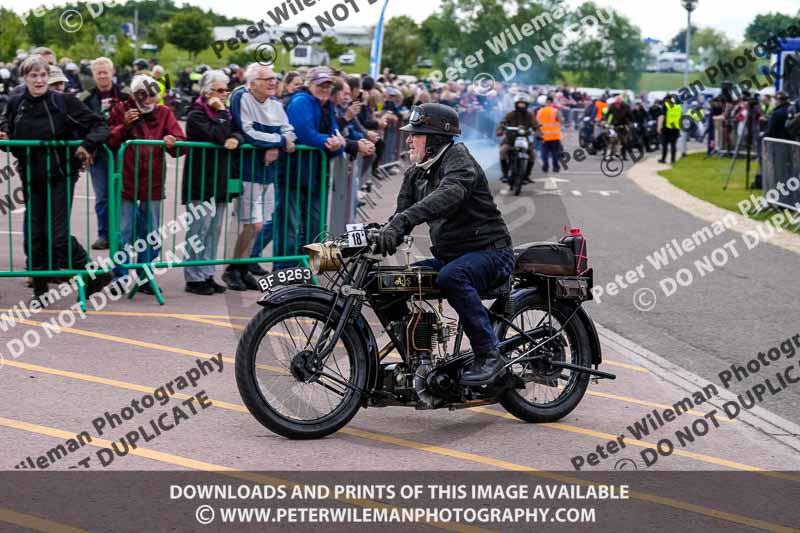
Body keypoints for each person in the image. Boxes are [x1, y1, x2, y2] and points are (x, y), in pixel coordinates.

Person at [379, 103, 515, 385]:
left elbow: (450, 194)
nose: (408, 139)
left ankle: (490, 356)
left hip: (490, 252)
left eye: (415, 134)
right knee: (389, 283)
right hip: (451, 255)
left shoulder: (458, 159)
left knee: (452, 276)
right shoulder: (416, 173)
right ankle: (419, 358)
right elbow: (399, 216)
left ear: (435, 138)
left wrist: (403, 220)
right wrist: (380, 235)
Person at [0, 54, 112, 304]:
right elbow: (8, 134)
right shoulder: (15, 103)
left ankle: (96, 274)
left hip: (60, 175)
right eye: (33, 75)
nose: (39, 80)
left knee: (57, 236)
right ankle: (40, 291)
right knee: (35, 236)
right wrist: (5, 139)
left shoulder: (63, 102)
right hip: (31, 177)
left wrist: (87, 145)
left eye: (43, 75)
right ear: (25, 78)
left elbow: (100, 125)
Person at [107, 75, 185, 293]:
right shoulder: (121, 109)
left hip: (153, 183)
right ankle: (120, 278)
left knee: (151, 233)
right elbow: (108, 141)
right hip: (126, 180)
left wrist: (174, 142)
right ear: (133, 95)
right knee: (122, 232)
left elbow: (181, 143)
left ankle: (145, 277)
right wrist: (124, 126)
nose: (148, 99)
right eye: (143, 94)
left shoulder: (164, 113)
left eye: (153, 95)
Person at [227, 63, 296, 288]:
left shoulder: (276, 104)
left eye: (274, 78)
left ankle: (243, 268)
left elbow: (288, 130)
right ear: (252, 82)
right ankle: (233, 269)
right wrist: (277, 142)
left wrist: (283, 140)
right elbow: (248, 132)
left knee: (259, 222)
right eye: (267, 79)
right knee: (252, 224)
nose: (273, 82)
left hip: (269, 173)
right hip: (248, 170)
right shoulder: (241, 98)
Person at [181, 70, 244, 295]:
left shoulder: (226, 113)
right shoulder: (197, 114)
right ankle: (193, 276)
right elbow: (216, 135)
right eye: (219, 90)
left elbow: (238, 132)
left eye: (226, 90)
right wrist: (220, 113)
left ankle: (207, 273)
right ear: (208, 93)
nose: (224, 94)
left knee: (214, 230)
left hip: (220, 180)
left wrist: (235, 138)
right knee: (199, 229)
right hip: (200, 180)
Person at [277, 66, 345, 269]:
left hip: (316, 174)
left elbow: (336, 134)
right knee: (288, 223)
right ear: (309, 84)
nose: (325, 89)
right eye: (321, 84)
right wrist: (329, 141)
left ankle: (316, 267)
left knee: (316, 221)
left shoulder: (326, 105)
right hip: (294, 172)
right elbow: (304, 133)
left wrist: (336, 143)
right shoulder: (301, 101)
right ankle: (285, 268)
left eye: (328, 85)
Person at [81, 57, 130, 250]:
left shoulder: (126, 95)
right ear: (93, 75)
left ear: (113, 72)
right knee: (102, 196)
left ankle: (123, 234)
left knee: (123, 195)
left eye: (105, 71)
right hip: (98, 154)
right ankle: (104, 235)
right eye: (98, 72)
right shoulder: (85, 98)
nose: (102, 75)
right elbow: (81, 125)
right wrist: (88, 148)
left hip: (122, 152)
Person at [496, 93, 539, 185]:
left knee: (533, 155)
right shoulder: (510, 114)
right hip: (510, 140)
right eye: (520, 103)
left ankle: (527, 176)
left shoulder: (529, 115)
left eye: (523, 103)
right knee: (502, 151)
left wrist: (539, 133)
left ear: (527, 105)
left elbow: (536, 126)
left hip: (525, 140)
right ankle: (505, 174)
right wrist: (500, 130)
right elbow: (502, 123)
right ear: (516, 104)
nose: (521, 105)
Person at [536, 95, 563, 175]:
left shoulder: (540, 111)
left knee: (544, 153)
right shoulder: (555, 111)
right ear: (551, 102)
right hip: (555, 136)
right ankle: (555, 167)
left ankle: (545, 166)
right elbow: (561, 120)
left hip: (544, 136)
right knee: (555, 153)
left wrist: (538, 134)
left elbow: (537, 123)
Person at [658, 93, 681, 164]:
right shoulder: (678, 107)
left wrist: (659, 127)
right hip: (675, 128)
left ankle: (663, 159)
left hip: (666, 128)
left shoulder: (665, 106)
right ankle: (673, 160)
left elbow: (662, 117)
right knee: (673, 145)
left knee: (664, 144)